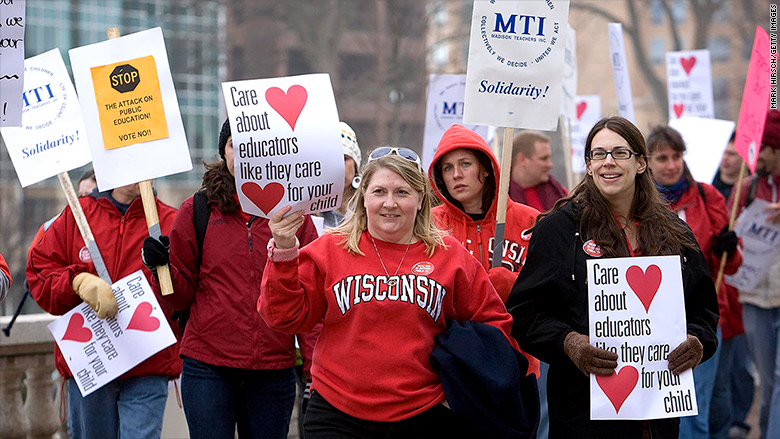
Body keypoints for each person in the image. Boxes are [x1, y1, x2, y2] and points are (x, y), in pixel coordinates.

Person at [259, 147, 522, 438]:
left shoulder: (449, 257)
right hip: (337, 412)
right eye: (379, 191)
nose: (389, 203)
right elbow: (283, 317)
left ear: (420, 198)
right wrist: (283, 251)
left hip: (423, 414)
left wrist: (458, 392)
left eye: (402, 192)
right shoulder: (329, 250)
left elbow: (494, 325)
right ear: (364, 197)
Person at [507, 116, 719, 439]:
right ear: (589, 166)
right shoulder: (560, 230)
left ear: (641, 163)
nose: (608, 162)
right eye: (598, 154)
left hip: (658, 420)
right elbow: (524, 315)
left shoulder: (676, 233)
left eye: (620, 153)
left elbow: (703, 308)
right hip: (584, 418)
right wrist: (570, 343)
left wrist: (697, 342)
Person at [141, 118, 320, 439]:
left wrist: (313, 373)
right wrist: (159, 268)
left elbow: (309, 298)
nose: (245, 154)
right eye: (236, 146)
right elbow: (178, 298)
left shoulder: (294, 216)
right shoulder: (197, 209)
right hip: (208, 366)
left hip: (272, 368)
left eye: (255, 146)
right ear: (223, 152)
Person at [27, 181, 181, 439]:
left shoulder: (172, 220)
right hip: (91, 366)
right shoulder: (76, 215)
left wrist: (167, 275)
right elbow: (39, 275)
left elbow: (190, 290)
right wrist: (76, 281)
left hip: (149, 365)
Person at [645, 125, 742, 439]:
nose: (672, 165)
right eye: (662, 158)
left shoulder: (706, 195)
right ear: (646, 161)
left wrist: (726, 246)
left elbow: (732, 265)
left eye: (677, 156)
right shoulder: (638, 203)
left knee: (695, 407)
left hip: (701, 317)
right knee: (665, 408)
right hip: (654, 320)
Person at [427, 124, 539, 375]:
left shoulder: (530, 221)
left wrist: (511, 283)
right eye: (447, 168)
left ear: (486, 169)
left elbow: (549, 292)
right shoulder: (429, 225)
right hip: (450, 365)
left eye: (465, 164)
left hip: (517, 361)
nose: (456, 174)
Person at [728, 109, 780, 439]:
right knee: (768, 380)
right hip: (754, 299)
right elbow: (730, 242)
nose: (754, 155)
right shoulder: (744, 190)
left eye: (762, 148)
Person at [709, 133, 755, 439]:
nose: (726, 160)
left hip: (744, 290)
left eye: (733, 155)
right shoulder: (710, 191)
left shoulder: (748, 192)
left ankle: (739, 419)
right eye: (723, 153)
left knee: (739, 367)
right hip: (720, 292)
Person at [509, 130, 568, 212]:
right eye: (544, 158)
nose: (550, 164)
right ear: (522, 159)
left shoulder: (560, 193)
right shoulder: (497, 198)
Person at [321, 121, 362, 229]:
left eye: (344, 159)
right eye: (331, 159)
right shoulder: (306, 211)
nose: (338, 166)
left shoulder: (369, 204)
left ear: (355, 165)